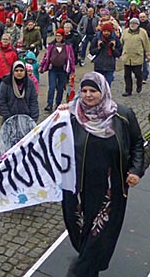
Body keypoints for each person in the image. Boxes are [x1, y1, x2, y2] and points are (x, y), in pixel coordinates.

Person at [57, 72, 144, 277]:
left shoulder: (122, 115)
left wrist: (135, 170)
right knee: (79, 231)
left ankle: (81, 271)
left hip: (109, 190)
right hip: (77, 189)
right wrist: (58, 115)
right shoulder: (71, 116)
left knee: (100, 236)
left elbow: (137, 144)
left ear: (103, 91)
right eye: (84, 91)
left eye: (93, 91)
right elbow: (53, 142)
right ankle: (88, 265)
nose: (88, 95)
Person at [39, 28, 76, 112]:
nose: (57, 37)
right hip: (53, 69)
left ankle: (58, 103)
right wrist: (42, 66)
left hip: (63, 70)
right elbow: (46, 57)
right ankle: (49, 104)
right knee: (51, 87)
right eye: (56, 36)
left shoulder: (68, 46)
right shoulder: (51, 46)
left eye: (59, 36)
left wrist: (72, 71)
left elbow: (71, 59)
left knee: (60, 88)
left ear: (63, 36)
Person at [120, 18, 150, 96]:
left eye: (134, 23)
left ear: (138, 25)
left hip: (137, 57)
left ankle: (139, 84)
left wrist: (148, 54)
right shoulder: (125, 32)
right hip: (127, 57)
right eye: (131, 23)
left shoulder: (142, 32)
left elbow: (146, 44)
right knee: (127, 75)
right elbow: (121, 42)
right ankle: (128, 90)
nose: (132, 25)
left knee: (138, 74)